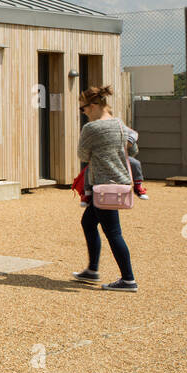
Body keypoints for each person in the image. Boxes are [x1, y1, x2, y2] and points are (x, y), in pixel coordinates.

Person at [73, 85, 138, 291]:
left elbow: (83, 155)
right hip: (119, 182)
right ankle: (92, 270)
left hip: (103, 187)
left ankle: (128, 279)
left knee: (114, 233)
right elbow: (133, 150)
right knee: (88, 222)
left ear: (93, 106)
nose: (83, 113)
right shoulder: (120, 125)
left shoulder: (91, 129)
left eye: (83, 109)